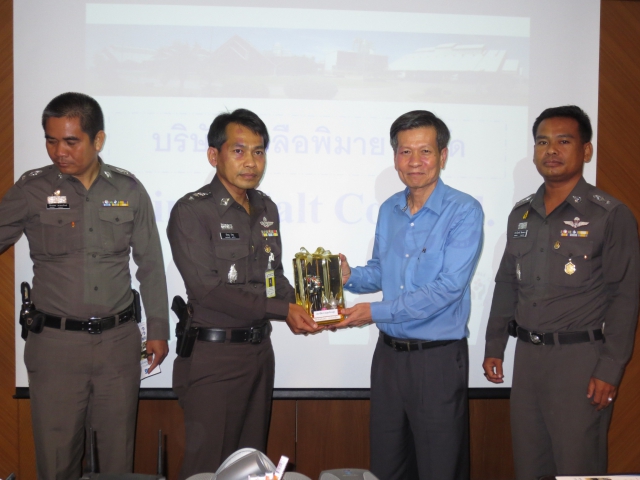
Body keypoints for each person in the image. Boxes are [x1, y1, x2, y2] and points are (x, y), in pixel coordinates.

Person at [0, 92, 169, 479]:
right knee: (56, 461)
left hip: (117, 345)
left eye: (70, 141)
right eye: (51, 140)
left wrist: (158, 330)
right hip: (55, 347)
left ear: (98, 139)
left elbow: (151, 264)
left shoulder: (128, 189)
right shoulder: (32, 189)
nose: (59, 151)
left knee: (117, 462)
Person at [483, 105, 640, 480]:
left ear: (586, 150)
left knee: (577, 468)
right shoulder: (521, 214)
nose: (550, 150)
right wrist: (494, 345)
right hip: (528, 359)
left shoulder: (610, 215)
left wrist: (610, 369)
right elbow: (507, 283)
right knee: (530, 466)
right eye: (542, 142)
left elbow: (625, 297)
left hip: (579, 362)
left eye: (563, 141)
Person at [167, 108, 320, 478]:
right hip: (214, 358)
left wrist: (309, 305)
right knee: (208, 469)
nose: (251, 162)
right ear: (214, 155)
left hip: (259, 355)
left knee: (250, 467)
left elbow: (273, 276)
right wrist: (283, 310)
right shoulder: (192, 211)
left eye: (258, 151)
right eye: (239, 151)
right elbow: (208, 291)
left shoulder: (266, 207)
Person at [336, 110, 484, 480]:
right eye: (405, 152)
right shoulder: (390, 208)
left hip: (437, 360)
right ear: (395, 157)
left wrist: (375, 312)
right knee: (388, 464)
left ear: (442, 155)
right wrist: (350, 276)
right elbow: (381, 270)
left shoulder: (463, 210)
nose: (414, 161)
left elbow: (447, 288)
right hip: (388, 359)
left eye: (425, 151)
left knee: (439, 467)